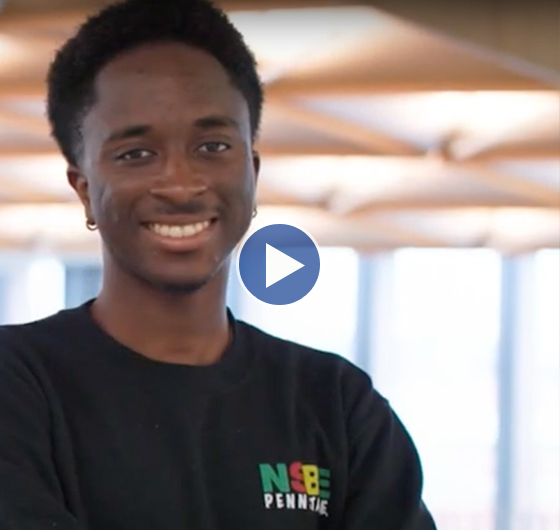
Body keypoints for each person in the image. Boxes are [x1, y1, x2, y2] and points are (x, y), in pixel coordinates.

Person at [0, 0, 437, 528]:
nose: (181, 185)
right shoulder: (19, 386)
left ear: (251, 171)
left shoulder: (337, 405)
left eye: (212, 146)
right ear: (85, 190)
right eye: (136, 154)